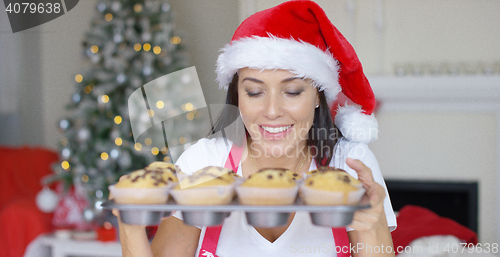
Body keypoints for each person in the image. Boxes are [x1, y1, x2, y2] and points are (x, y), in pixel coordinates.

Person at [114, 1, 397, 256]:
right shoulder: (204, 163)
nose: (272, 111)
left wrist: (372, 226)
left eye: (293, 91)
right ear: (237, 96)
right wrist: (129, 225)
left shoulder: (350, 166)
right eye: (254, 92)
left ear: (318, 98)